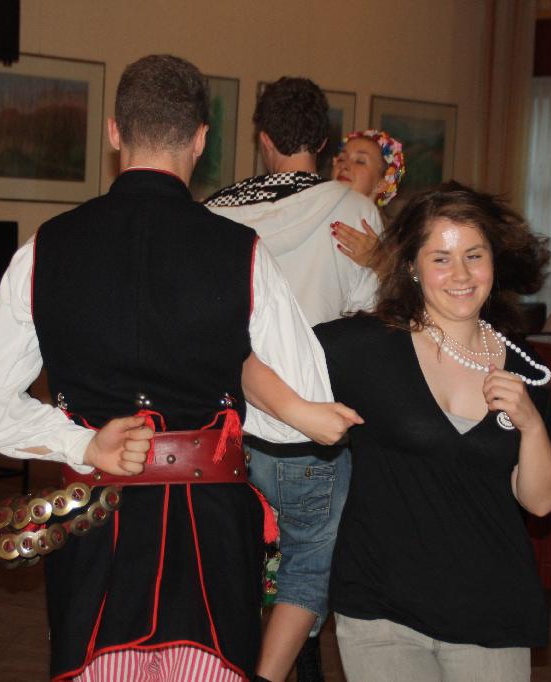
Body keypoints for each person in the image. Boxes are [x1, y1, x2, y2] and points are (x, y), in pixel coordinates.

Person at [0, 55, 358, 682]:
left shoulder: (43, 250)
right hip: (210, 535)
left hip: (94, 524)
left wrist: (83, 443)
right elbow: (300, 414)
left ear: (114, 132)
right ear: (201, 139)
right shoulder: (241, 253)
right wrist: (227, 376)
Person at [313, 183, 551, 681]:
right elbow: (257, 360)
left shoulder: (527, 369)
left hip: (491, 609)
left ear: (494, 262)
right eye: (441, 258)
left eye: (474, 255)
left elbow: (541, 503)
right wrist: (304, 415)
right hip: (381, 607)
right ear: (412, 266)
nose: (461, 275)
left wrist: (531, 424)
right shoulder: (365, 346)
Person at [205, 78, 383, 682]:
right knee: (308, 566)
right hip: (309, 429)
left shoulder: (214, 212)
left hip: (223, 428)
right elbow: (382, 321)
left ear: (263, 139)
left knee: (234, 564)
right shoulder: (355, 212)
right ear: (323, 141)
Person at [328, 129, 405, 278]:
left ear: (381, 184)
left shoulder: (395, 240)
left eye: (360, 161)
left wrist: (379, 261)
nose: (344, 166)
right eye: (341, 159)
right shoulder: (316, 211)